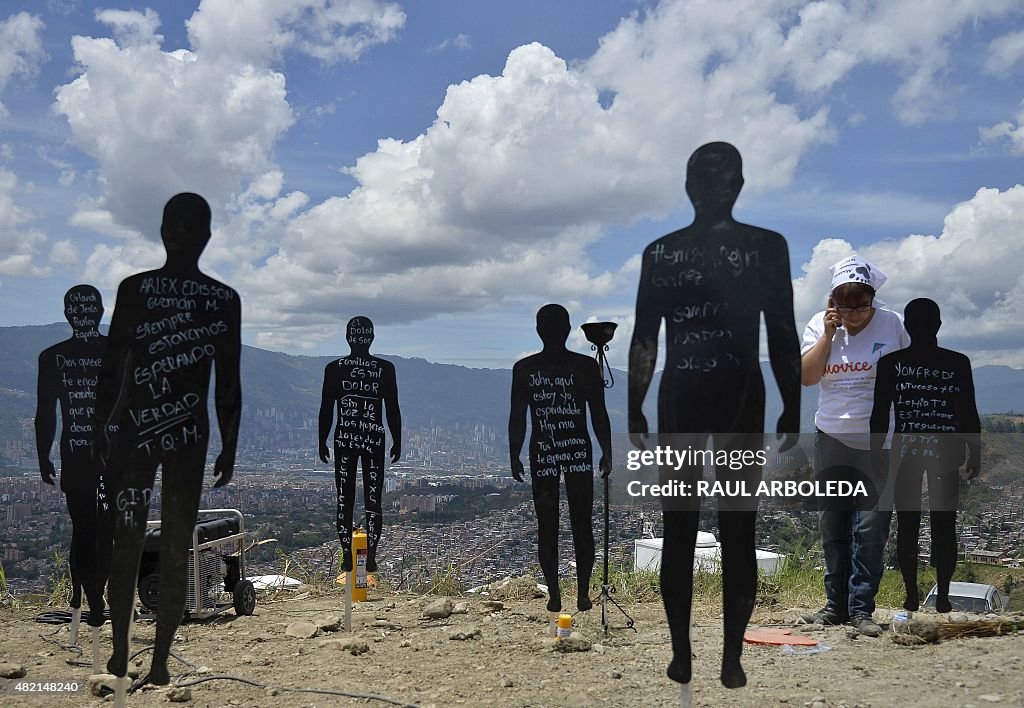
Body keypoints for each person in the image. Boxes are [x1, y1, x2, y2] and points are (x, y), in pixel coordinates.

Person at [629, 142, 801, 691]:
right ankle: (729, 658)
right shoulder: (766, 247)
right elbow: (781, 335)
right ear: (739, 184)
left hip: (679, 394)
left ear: (689, 187)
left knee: (679, 528)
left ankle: (684, 654)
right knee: (737, 528)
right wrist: (790, 403)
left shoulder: (663, 251)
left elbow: (643, 341)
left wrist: (635, 403)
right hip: (740, 394)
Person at [93, 193, 242, 687]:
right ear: (207, 235)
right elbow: (228, 387)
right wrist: (229, 442)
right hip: (186, 433)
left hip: (139, 429)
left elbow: (112, 372)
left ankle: (123, 653)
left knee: (130, 539)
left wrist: (99, 427)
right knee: (175, 544)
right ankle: (153, 660)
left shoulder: (135, 290)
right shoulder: (222, 300)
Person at [800, 254, 909, 636]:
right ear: (832, 302)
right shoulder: (819, 325)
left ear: (872, 297)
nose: (855, 314)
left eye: (862, 304)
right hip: (831, 437)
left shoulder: (893, 323)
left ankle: (862, 609)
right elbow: (808, 378)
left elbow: (910, 375)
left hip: (880, 441)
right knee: (833, 525)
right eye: (846, 305)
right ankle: (835, 607)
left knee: (871, 528)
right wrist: (830, 335)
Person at [870, 298, 980, 614]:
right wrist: (975, 452)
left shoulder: (893, 364)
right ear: (939, 324)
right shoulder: (955, 362)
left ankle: (917, 596)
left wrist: (877, 451)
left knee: (916, 524)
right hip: (937, 451)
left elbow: (880, 414)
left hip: (910, 451)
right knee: (937, 524)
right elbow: (968, 411)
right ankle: (934, 596)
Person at [509, 304, 612, 614]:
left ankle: (558, 592)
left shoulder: (526, 369)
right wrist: (607, 450)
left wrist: (514, 453)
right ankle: (580, 593)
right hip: (577, 449)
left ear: (539, 330)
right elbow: (599, 414)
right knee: (582, 523)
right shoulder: (584, 366)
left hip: (543, 450)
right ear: (567, 330)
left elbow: (517, 418)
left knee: (549, 525)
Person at [35, 284, 113, 636]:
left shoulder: (54, 356)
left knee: (86, 529)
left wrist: (43, 455)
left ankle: (86, 601)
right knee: (100, 529)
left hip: (78, 453)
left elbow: (45, 415)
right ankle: (94, 601)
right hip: (108, 455)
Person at [318, 316, 401, 572]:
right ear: (372, 338)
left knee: (345, 499)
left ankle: (347, 555)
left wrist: (322, 440)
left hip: (344, 437)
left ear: (347, 337)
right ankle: (370, 556)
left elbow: (326, 409)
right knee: (373, 500)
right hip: (373, 438)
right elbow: (393, 410)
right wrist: (398, 439)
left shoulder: (335, 369)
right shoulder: (384, 369)